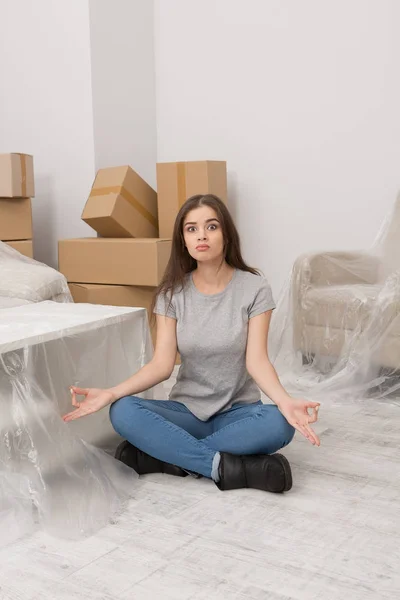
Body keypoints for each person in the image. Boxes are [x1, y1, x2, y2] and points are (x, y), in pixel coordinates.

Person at [63, 194, 320, 493]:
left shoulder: (254, 288)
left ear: (226, 234)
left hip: (238, 415)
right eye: (191, 229)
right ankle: (223, 467)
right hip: (186, 413)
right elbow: (161, 365)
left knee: (279, 423)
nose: (201, 235)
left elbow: (257, 360)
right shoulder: (171, 294)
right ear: (182, 240)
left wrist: (285, 401)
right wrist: (111, 392)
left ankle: (164, 457)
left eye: (211, 227)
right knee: (122, 411)